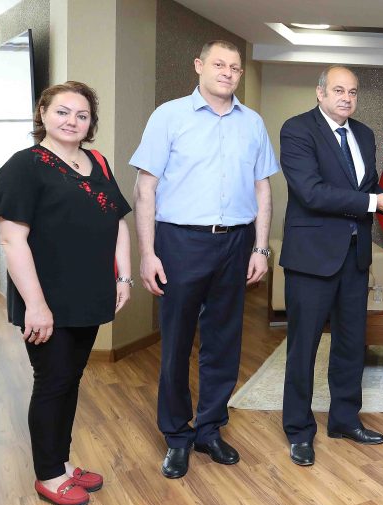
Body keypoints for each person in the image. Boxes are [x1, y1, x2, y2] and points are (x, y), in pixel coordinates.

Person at [130, 40, 278, 479]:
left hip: (236, 242)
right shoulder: (169, 116)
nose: (228, 72)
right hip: (180, 242)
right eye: (219, 64)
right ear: (199, 66)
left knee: (224, 341)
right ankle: (177, 436)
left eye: (235, 67)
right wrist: (147, 253)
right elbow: (144, 188)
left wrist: (261, 247)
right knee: (176, 341)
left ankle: (210, 428)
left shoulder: (253, 123)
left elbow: (263, 189)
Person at [0, 81, 132, 505]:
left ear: (91, 123)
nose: (72, 121)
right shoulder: (24, 166)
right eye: (62, 112)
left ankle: (62, 464)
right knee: (52, 382)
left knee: (70, 379)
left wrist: (123, 277)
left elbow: (118, 220)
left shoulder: (97, 162)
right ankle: (49, 475)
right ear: (43, 114)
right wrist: (36, 305)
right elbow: (12, 240)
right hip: (45, 298)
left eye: (82, 115)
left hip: (89, 293)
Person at [278, 65, 383, 467]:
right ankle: (299, 430)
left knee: (351, 344)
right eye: (338, 90)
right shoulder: (297, 130)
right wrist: (375, 202)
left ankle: (344, 420)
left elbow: (367, 189)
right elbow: (311, 192)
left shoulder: (365, 134)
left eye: (352, 92)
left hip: (354, 257)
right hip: (311, 258)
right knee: (303, 347)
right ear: (320, 92)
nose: (346, 98)